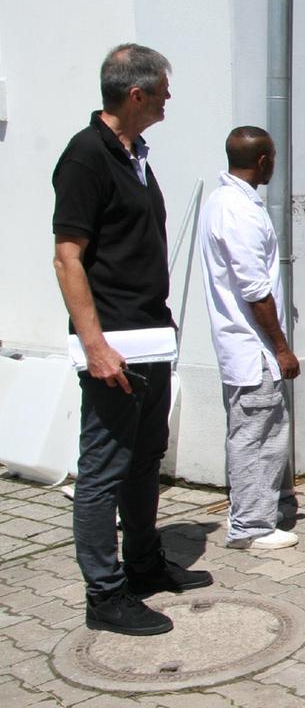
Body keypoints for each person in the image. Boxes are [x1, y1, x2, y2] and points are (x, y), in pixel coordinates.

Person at [51, 43, 212, 636]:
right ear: (137, 93)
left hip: (150, 337)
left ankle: (143, 566)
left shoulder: (136, 155)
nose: (170, 99)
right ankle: (105, 594)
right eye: (164, 90)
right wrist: (95, 346)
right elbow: (69, 257)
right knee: (102, 471)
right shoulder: (85, 157)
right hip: (113, 344)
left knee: (145, 462)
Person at [198, 127, 303, 552]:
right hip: (252, 347)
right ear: (263, 161)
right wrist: (281, 348)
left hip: (243, 345)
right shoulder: (237, 211)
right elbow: (254, 289)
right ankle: (250, 526)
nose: (275, 165)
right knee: (256, 435)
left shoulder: (224, 201)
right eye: (273, 158)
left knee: (260, 431)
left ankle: (253, 509)